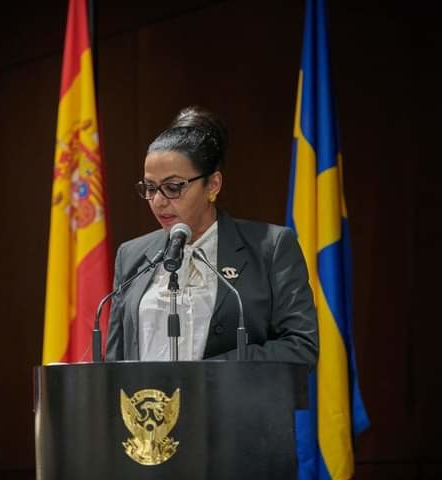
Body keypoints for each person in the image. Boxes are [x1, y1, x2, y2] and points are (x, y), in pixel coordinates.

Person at [105, 106, 318, 366]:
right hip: (145, 395)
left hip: (232, 394)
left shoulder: (270, 247)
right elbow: (114, 362)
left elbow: (301, 348)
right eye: (150, 187)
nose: (158, 201)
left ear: (213, 185)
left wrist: (209, 374)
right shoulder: (131, 255)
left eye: (173, 187)